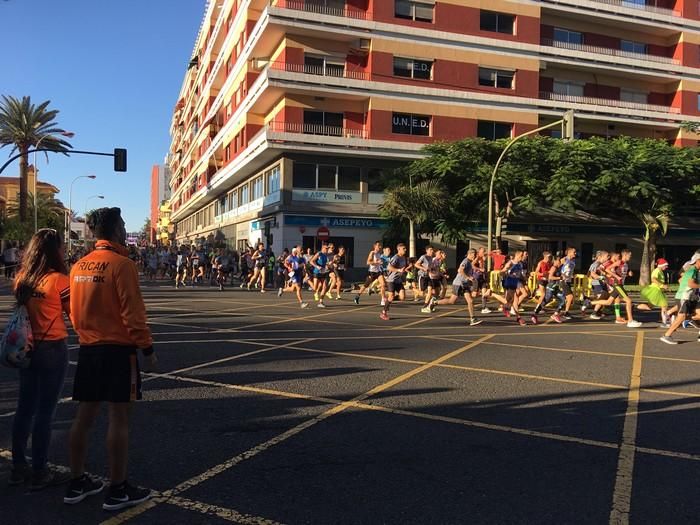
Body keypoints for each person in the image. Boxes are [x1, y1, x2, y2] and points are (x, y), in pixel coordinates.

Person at [65, 207, 157, 510]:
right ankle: (118, 489)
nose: (125, 229)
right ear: (116, 231)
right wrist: (147, 350)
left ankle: (76, 482)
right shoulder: (122, 265)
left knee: (84, 417)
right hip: (118, 351)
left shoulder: (78, 266)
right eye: (123, 225)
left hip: (88, 349)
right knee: (119, 420)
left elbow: (73, 312)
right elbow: (133, 314)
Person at [9, 229, 72, 490]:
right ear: (54, 251)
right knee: (46, 411)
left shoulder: (22, 278)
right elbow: (73, 313)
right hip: (53, 347)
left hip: (27, 347)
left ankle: (18, 466)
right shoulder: (59, 280)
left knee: (25, 408)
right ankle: (40, 470)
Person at [661, 252, 700, 344]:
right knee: (682, 317)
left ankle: (685, 318)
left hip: (690, 297)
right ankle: (667, 335)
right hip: (684, 297)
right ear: (698, 261)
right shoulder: (692, 271)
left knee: (696, 314)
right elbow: (690, 283)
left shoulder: (692, 271)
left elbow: (681, 280)